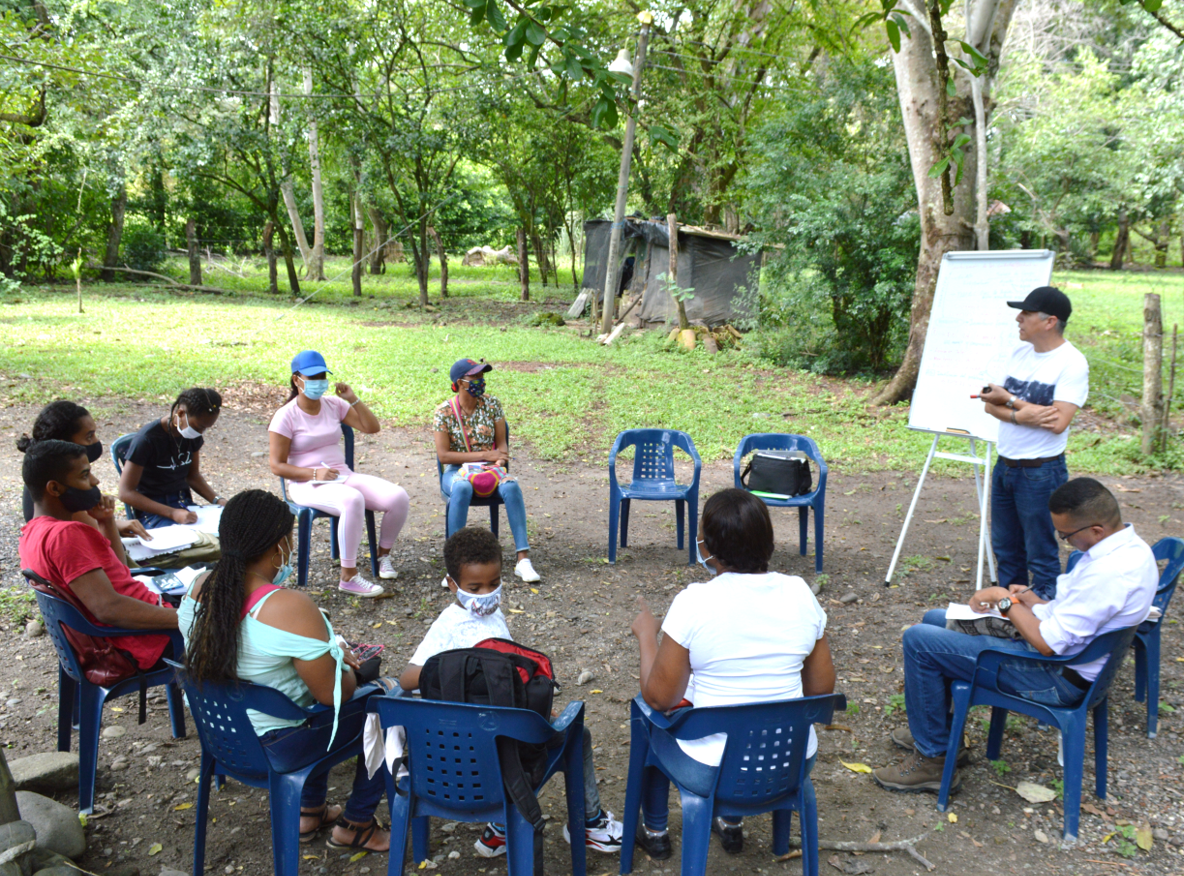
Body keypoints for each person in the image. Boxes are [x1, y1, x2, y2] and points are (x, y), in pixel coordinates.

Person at [873, 478, 1157, 793]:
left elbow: (1048, 644)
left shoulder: (1110, 573)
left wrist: (1004, 601)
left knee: (918, 641)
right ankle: (938, 733)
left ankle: (933, 760)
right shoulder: (1131, 549)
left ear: (1096, 530)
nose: (1063, 540)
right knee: (936, 620)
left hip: (1053, 677)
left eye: (1065, 535)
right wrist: (1036, 603)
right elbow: (1082, 615)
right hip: (1070, 659)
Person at [179, 489, 396, 852]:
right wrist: (342, 661)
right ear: (279, 545)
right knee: (391, 697)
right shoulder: (288, 606)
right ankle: (357, 823)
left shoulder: (198, 587)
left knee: (302, 694)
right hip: (277, 747)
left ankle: (309, 811)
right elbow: (334, 695)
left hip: (223, 738)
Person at [629, 488, 834, 859]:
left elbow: (660, 698)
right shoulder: (801, 593)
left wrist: (647, 636)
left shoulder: (694, 601)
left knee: (649, 720)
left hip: (714, 770)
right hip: (791, 762)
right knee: (752, 707)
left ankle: (655, 829)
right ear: (767, 541)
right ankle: (731, 823)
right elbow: (820, 690)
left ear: (707, 547)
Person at [398, 527, 623, 857]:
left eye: (494, 583)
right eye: (475, 588)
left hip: (455, 753)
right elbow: (407, 678)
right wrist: (457, 667)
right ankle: (588, 823)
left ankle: (501, 829)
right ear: (451, 584)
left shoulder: (493, 615)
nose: (486, 594)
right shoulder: (447, 625)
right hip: (492, 754)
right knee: (580, 735)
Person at [19, 440, 178, 672]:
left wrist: (106, 521)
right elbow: (108, 608)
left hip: (127, 632)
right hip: (139, 642)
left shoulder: (33, 531)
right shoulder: (65, 535)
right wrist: (185, 619)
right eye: (84, 475)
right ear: (54, 488)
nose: (95, 481)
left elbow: (120, 572)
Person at [269, 350, 409, 597]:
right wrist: (313, 473)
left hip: (341, 475)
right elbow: (277, 466)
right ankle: (348, 576)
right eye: (311, 377)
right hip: (305, 483)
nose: (318, 381)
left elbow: (371, 427)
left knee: (398, 497)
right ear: (296, 380)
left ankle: (382, 558)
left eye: (322, 375)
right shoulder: (285, 415)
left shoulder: (334, 405)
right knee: (352, 499)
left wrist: (353, 399)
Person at [978, 286, 1088, 599]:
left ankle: (1046, 618)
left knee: (1040, 551)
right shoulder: (1019, 353)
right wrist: (1022, 415)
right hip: (1006, 466)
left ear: (1050, 321)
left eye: (1026, 313)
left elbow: (1058, 422)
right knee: (1006, 548)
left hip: (1041, 471)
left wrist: (1011, 401)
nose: (1018, 319)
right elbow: (989, 403)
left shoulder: (1072, 363)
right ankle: (1008, 614)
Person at [433, 358, 540, 584]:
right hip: (456, 471)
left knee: (511, 486)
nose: (480, 382)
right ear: (460, 383)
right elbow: (444, 456)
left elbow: (502, 448)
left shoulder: (492, 405)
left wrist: (498, 461)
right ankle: (455, 567)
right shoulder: (444, 412)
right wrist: (485, 455)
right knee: (461, 487)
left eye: (482, 377)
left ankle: (523, 560)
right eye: (475, 378)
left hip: (490, 469)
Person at [17, 400, 150, 541]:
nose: (96, 441)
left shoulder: (42, 476)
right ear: (64, 443)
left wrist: (115, 524)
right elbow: (100, 540)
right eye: (89, 436)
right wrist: (109, 522)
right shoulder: (65, 496)